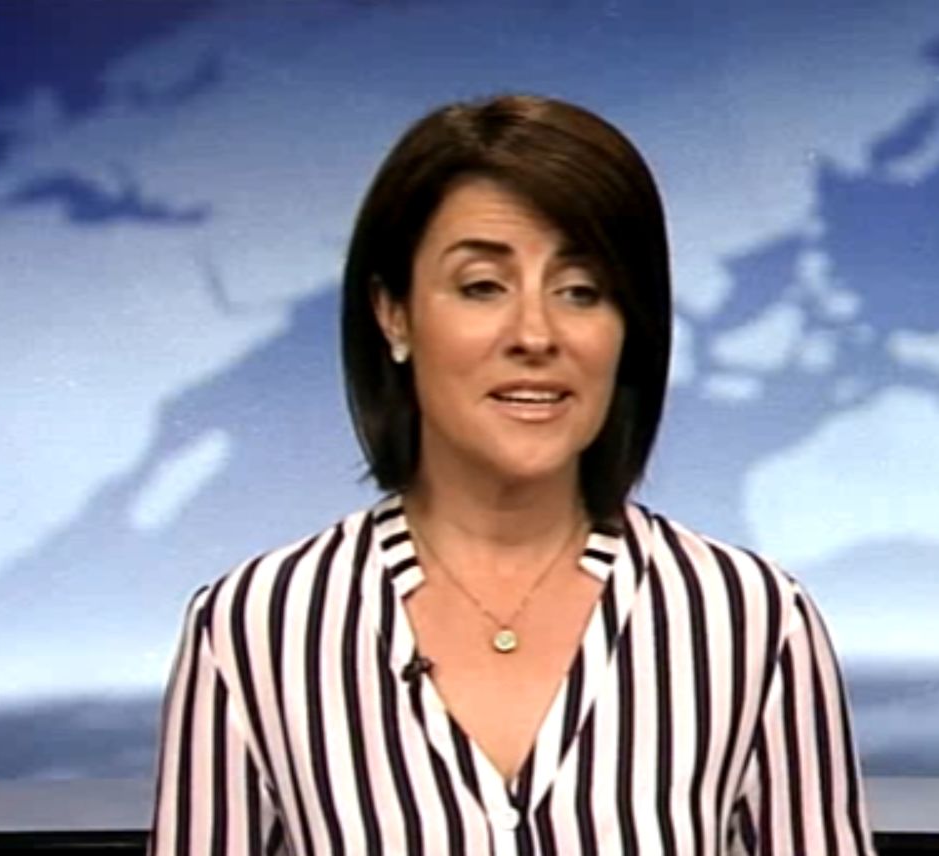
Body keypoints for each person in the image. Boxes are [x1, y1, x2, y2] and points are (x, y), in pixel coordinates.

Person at [149, 94, 874, 855]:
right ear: (394, 313)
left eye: (581, 291)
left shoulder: (750, 621)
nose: (535, 334)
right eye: (482, 287)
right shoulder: (255, 628)